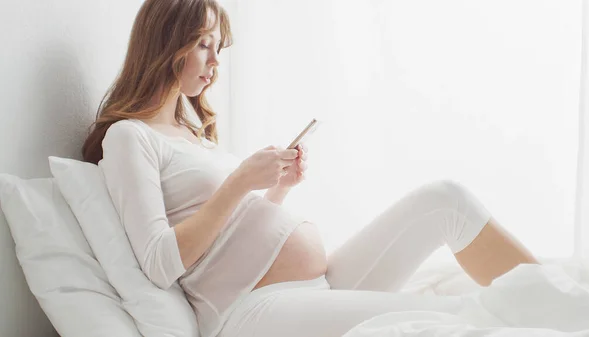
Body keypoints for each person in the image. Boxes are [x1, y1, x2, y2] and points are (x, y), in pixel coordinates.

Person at [82, 1, 539, 336]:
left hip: (315, 286)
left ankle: (555, 297)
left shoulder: (196, 137)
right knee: (451, 317)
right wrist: (241, 179)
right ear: (166, 43)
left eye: (218, 47)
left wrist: (276, 189)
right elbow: (160, 263)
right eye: (204, 45)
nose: (216, 62)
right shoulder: (130, 137)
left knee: (446, 199)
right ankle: (551, 315)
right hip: (252, 311)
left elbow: (231, 233)